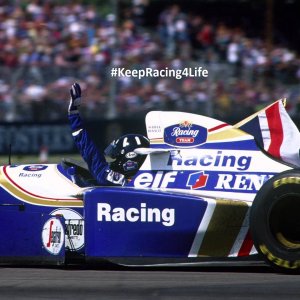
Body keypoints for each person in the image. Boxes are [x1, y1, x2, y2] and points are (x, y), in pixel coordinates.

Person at [68, 82, 150, 186]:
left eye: (118, 157)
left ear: (130, 157)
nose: (114, 162)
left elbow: (91, 155)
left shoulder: (111, 179)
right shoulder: (155, 179)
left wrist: (73, 117)